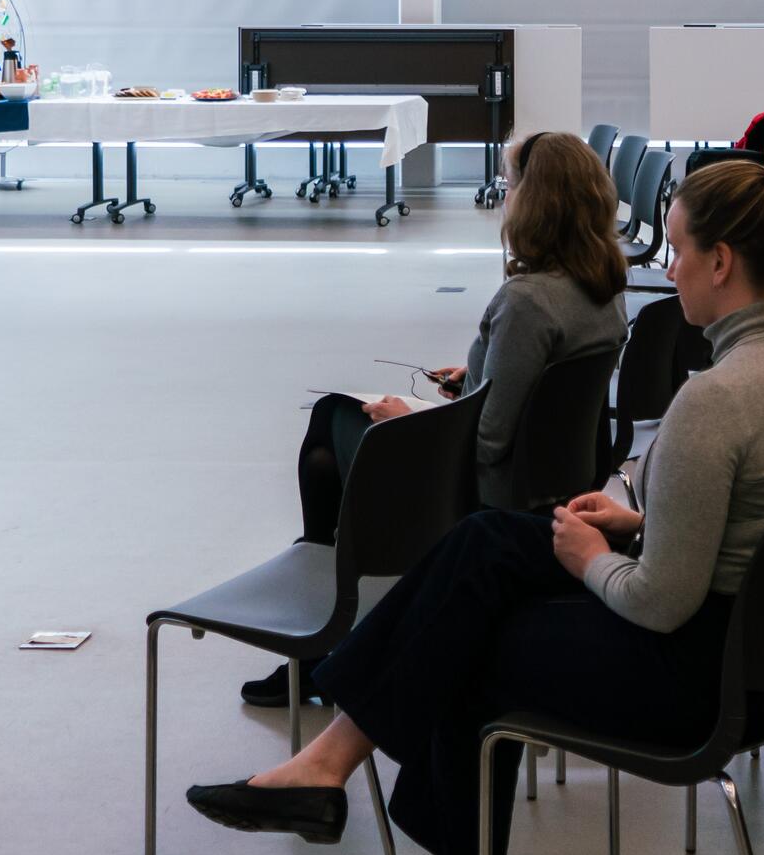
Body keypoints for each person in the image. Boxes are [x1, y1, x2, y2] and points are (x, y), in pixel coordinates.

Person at [184, 161, 764, 855]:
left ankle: (340, 778)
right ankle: (325, 766)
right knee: (486, 545)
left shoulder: (716, 400)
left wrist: (592, 559)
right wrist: (637, 525)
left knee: (470, 641)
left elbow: (660, 602)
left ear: (720, 262)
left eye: (679, 249)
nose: (671, 264)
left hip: (699, 677)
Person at [243, 131, 629, 708]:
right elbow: (538, 399)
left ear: (535, 201)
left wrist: (404, 419)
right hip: (558, 481)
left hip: (487, 494)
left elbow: (487, 443)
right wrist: (474, 383)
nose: (505, 194)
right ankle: (323, 637)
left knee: (328, 426)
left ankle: (318, 636)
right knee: (332, 435)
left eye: (511, 183)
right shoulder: (604, 288)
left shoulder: (526, 300)